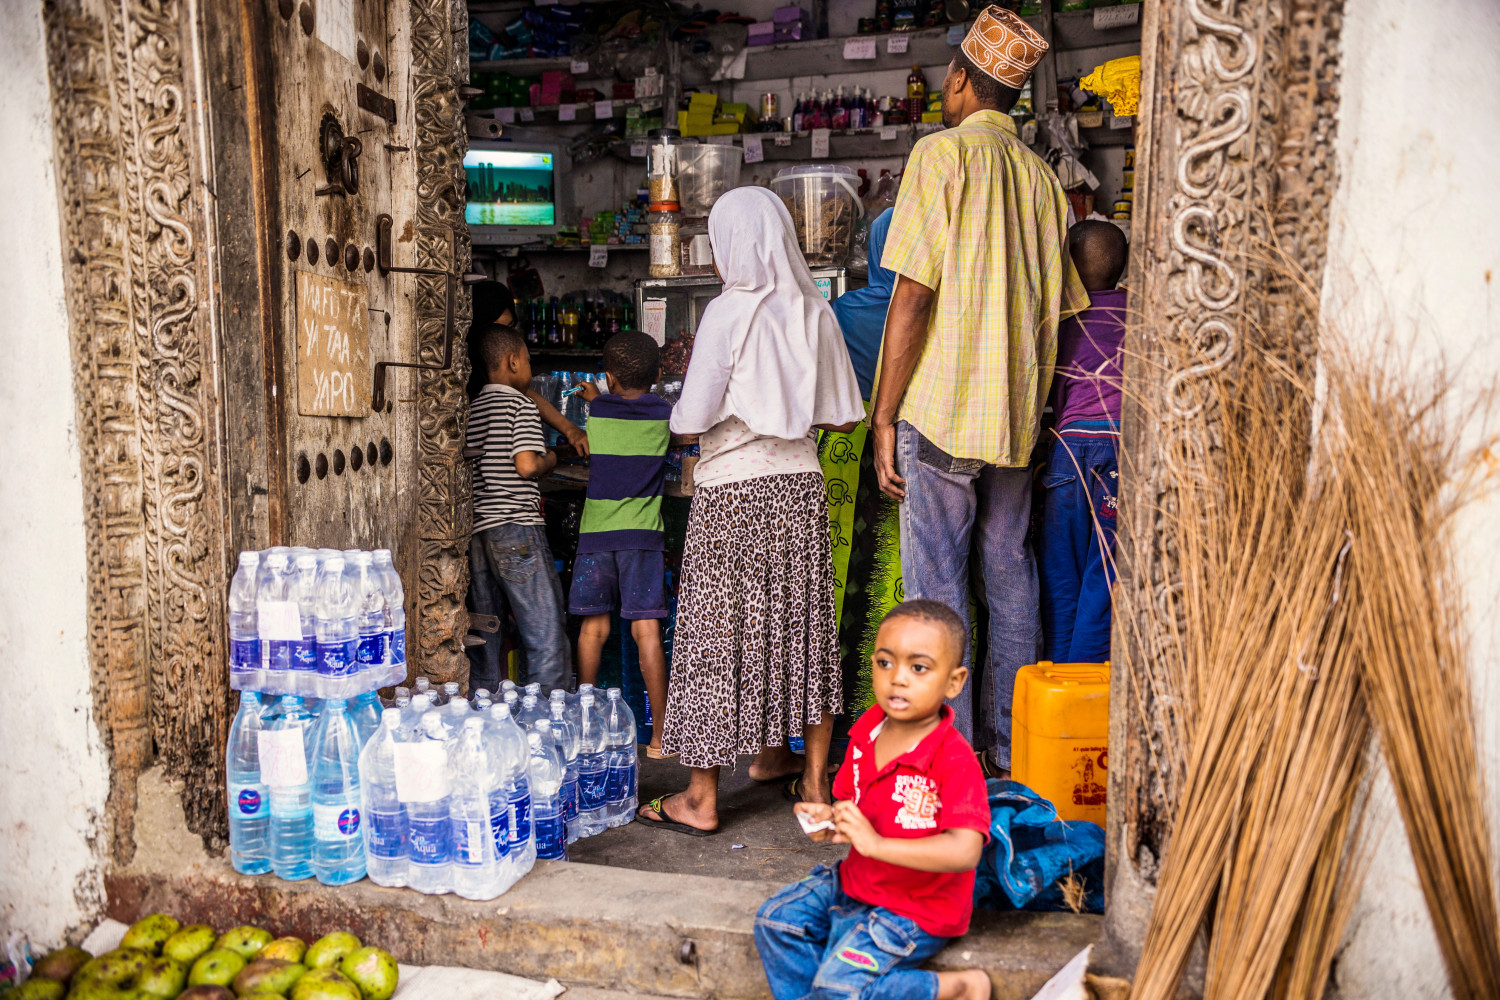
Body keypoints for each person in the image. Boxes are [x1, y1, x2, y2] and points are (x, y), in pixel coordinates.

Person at [872, 5, 1089, 771]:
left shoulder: (939, 156)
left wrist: (882, 416)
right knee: (1009, 577)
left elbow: (912, 296)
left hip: (940, 414)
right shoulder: (1041, 178)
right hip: (1015, 425)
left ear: (962, 81)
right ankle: (1011, 751)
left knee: (936, 593)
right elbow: (1062, 308)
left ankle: (946, 758)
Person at [636, 186, 865, 835]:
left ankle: (701, 798)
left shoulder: (728, 312)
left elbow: (691, 418)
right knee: (801, 626)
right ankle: (804, 776)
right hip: (801, 487)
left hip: (734, 489)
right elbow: (845, 415)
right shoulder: (814, 311)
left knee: (716, 634)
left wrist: (689, 411)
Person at [754, 600, 992, 1000]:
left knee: (837, 987)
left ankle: (957, 989)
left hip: (918, 910)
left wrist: (878, 844)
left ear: (954, 682)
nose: (897, 678)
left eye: (918, 667)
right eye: (885, 662)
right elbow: (854, 810)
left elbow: (966, 850)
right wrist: (829, 820)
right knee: (777, 923)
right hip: (857, 883)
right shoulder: (867, 731)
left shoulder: (952, 757)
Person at [570, 331, 672, 754]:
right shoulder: (665, 413)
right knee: (645, 629)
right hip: (642, 537)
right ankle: (662, 736)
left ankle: (584, 725)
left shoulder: (599, 410)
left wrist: (595, 394)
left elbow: (603, 402)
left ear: (609, 378)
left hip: (597, 536)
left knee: (593, 628)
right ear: (660, 374)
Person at [823, 208, 902, 717]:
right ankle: (893, 711)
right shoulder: (932, 309)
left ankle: (837, 724)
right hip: (905, 447)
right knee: (897, 579)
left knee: (841, 587)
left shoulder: (844, 310)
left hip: (845, 451)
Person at [1036, 221, 1128, 663]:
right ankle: (1089, 682)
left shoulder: (1058, 318)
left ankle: (1058, 685)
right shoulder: (1142, 314)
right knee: (1104, 574)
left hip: (1068, 451)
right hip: (1119, 452)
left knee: (1060, 576)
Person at [465, 324, 572, 694]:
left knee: (485, 634)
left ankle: (481, 709)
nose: (529, 369)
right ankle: (549, 722)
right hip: (517, 528)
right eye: (528, 361)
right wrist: (551, 460)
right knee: (545, 634)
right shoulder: (520, 404)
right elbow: (526, 464)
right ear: (512, 362)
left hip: (480, 532)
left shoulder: (474, 406)